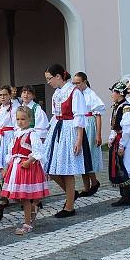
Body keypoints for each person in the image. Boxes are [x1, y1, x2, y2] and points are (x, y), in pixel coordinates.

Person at [43, 64, 86, 218]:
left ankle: (69, 207)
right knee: (50, 167)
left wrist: (79, 140)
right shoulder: (57, 93)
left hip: (70, 131)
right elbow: (55, 115)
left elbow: (79, 116)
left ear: (58, 77)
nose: (48, 82)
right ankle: (71, 193)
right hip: (57, 129)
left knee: (66, 170)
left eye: (49, 79)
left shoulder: (74, 92)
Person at [0, 106, 50, 235]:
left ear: (30, 119)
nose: (20, 121)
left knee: (25, 197)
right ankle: (33, 210)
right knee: (17, 196)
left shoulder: (32, 134)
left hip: (27, 167)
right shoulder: (16, 134)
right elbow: (11, 152)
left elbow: (38, 151)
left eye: (23, 119)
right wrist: (6, 167)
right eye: (18, 119)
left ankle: (27, 223)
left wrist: (29, 161)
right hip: (16, 167)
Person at [107, 79, 130, 206]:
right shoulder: (118, 106)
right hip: (120, 140)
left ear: (120, 93)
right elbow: (114, 126)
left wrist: (122, 145)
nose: (112, 94)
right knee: (122, 168)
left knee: (127, 169)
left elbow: (127, 129)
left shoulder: (126, 107)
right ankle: (125, 197)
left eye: (114, 92)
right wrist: (112, 138)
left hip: (128, 141)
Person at [73, 72, 105, 198]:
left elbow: (98, 116)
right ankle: (86, 187)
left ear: (85, 81)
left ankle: (94, 182)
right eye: (74, 83)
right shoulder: (75, 95)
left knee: (89, 155)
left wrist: (98, 134)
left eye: (78, 82)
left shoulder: (91, 95)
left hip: (89, 125)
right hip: (80, 125)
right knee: (81, 156)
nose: (76, 85)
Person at [0, 85, 17, 212]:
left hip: (9, 138)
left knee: (9, 165)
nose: (2, 97)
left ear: (10, 95)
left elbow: (17, 126)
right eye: (0, 95)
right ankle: (5, 195)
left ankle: (14, 193)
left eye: (5, 95)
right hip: (0, 138)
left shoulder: (15, 108)